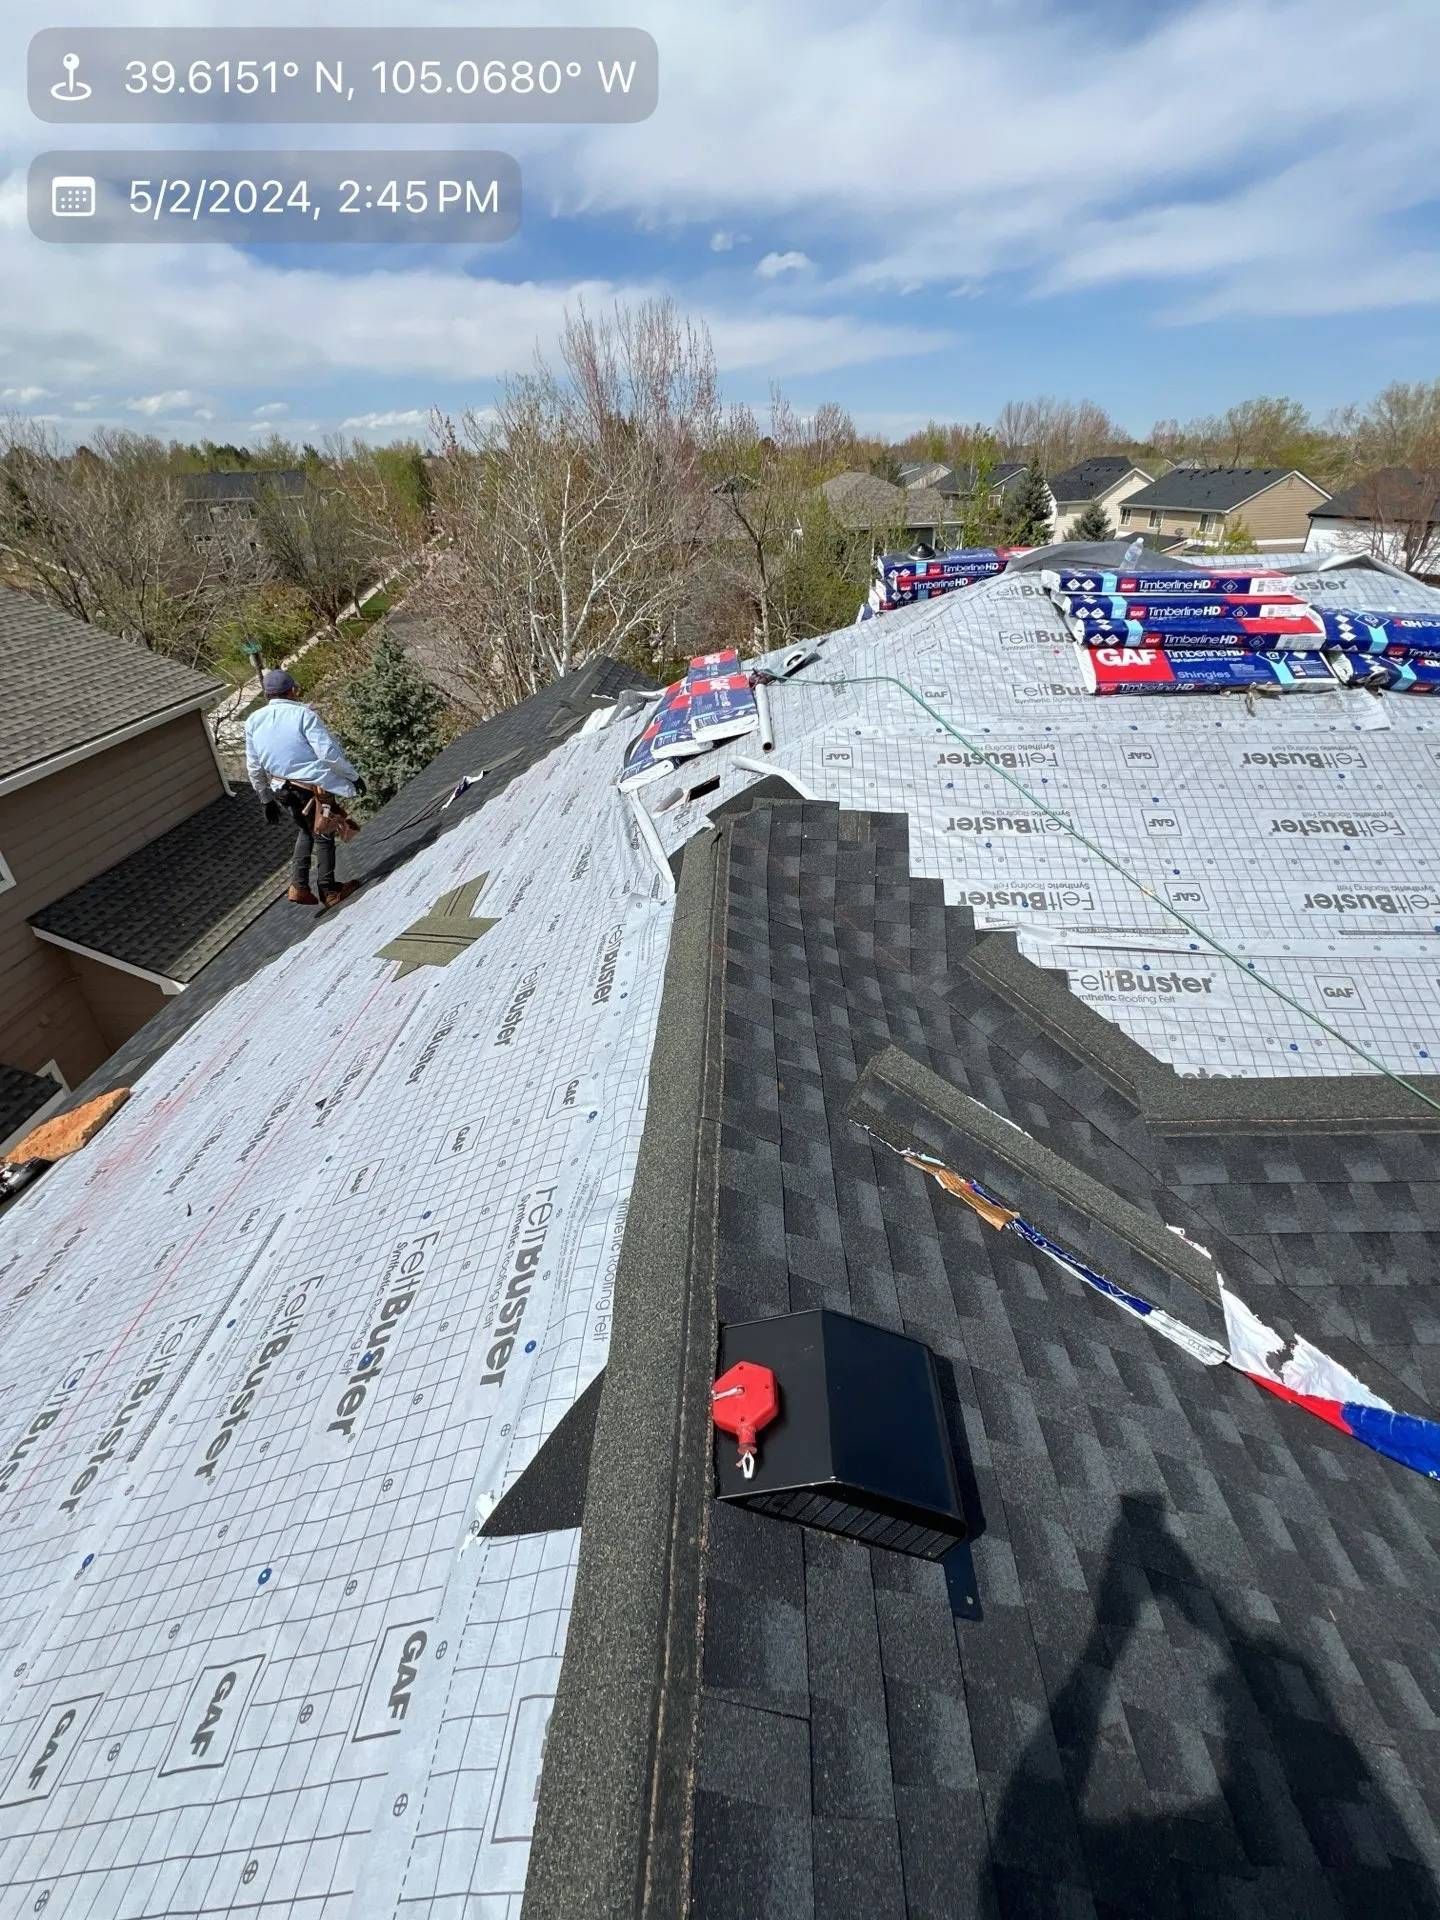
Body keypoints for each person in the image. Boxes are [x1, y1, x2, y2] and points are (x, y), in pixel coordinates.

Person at [245, 669, 365, 908]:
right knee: (323, 832)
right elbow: (328, 753)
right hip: (311, 788)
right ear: (291, 690)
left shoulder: (252, 721)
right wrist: (353, 776)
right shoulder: (302, 715)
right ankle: (329, 891)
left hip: (282, 789)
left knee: (306, 830)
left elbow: (254, 766)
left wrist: (266, 798)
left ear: (268, 694)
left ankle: (299, 886)